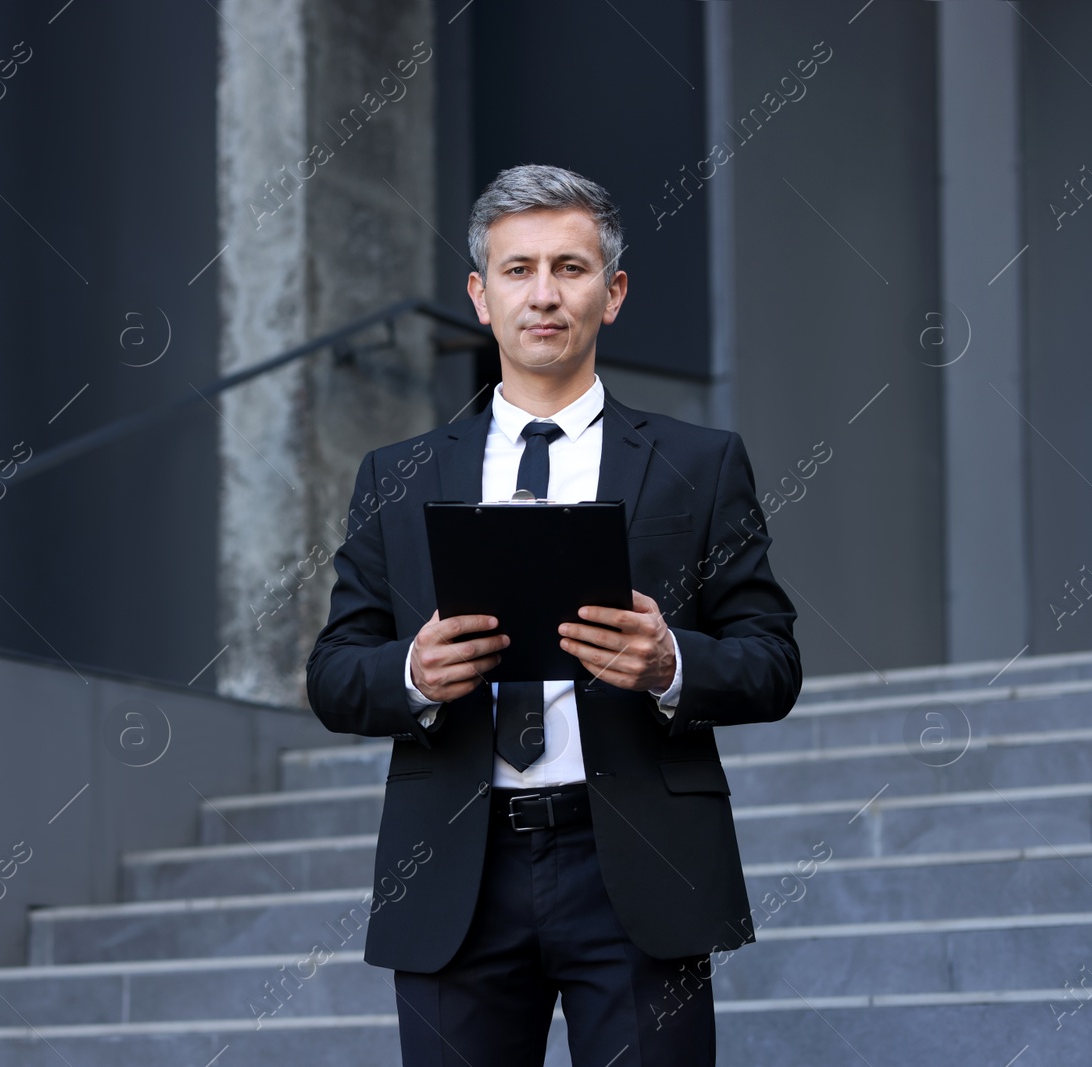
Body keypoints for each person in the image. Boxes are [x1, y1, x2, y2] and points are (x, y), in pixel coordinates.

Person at [305, 164, 802, 1066]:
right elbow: (335, 671)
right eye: (518, 269)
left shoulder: (702, 462)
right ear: (479, 295)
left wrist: (670, 663)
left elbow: (772, 660)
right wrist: (411, 675)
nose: (544, 294)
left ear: (612, 294)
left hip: (640, 869)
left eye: (570, 269)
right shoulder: (397, 475)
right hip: (457, 873)